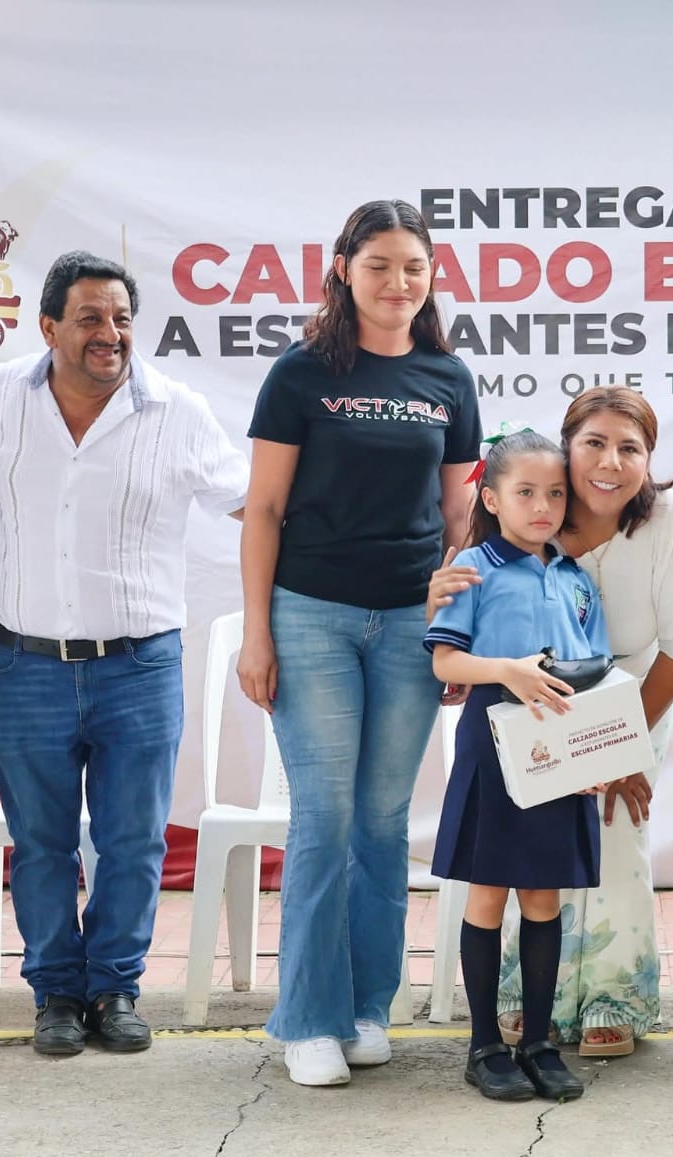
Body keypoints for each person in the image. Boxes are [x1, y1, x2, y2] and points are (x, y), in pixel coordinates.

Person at [0, 251, 249, 1057]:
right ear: (48, 326)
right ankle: (56, 992)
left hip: (140, 665)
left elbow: (254, 504)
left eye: (123, 318)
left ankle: (116, 988)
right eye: (90, 317)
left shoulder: (177, 410)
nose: (111, 333)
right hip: (24, 664)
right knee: (43, 842)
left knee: (133, 840)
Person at [240, 199, 480, 1087]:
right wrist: (257, 632)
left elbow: (460, 515)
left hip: (411, 625)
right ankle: (308, 1017)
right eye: (378, 264)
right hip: (311, 615)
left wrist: (454, 626)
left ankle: (368, 1006)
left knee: (383, 820)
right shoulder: (302, 373)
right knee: (325, 814)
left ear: (431, 275)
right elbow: (264, 509)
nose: (397, 282)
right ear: (343, 269)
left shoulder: (448, 378)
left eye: (413, 267)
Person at [429, 386, 673, 1056]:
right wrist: (452, 630)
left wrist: (618, 750)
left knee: (612, 837)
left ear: (649, 459)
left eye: (630, 448)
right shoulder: (526, 520)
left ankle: (613, 996)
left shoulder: (667, 522)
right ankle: (528, 1004)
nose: (610, 462)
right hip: (518, 719)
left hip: (627, 701)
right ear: (566, 448)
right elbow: (453, 647)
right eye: (594, 443)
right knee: (521, 867)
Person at [426, 428, 608, 1101]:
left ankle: (537, 1042)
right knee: (488, 893)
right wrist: (507, 670)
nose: (542, 506)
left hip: (558, 745)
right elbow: (446, 661)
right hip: (492, 739)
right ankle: (484, 1046)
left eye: (555, 494)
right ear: (492, 499)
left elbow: (595, 675)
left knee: (542, 896)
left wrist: (596, 753)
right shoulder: (472, 569)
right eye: (526, 492)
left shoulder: (576, 579)